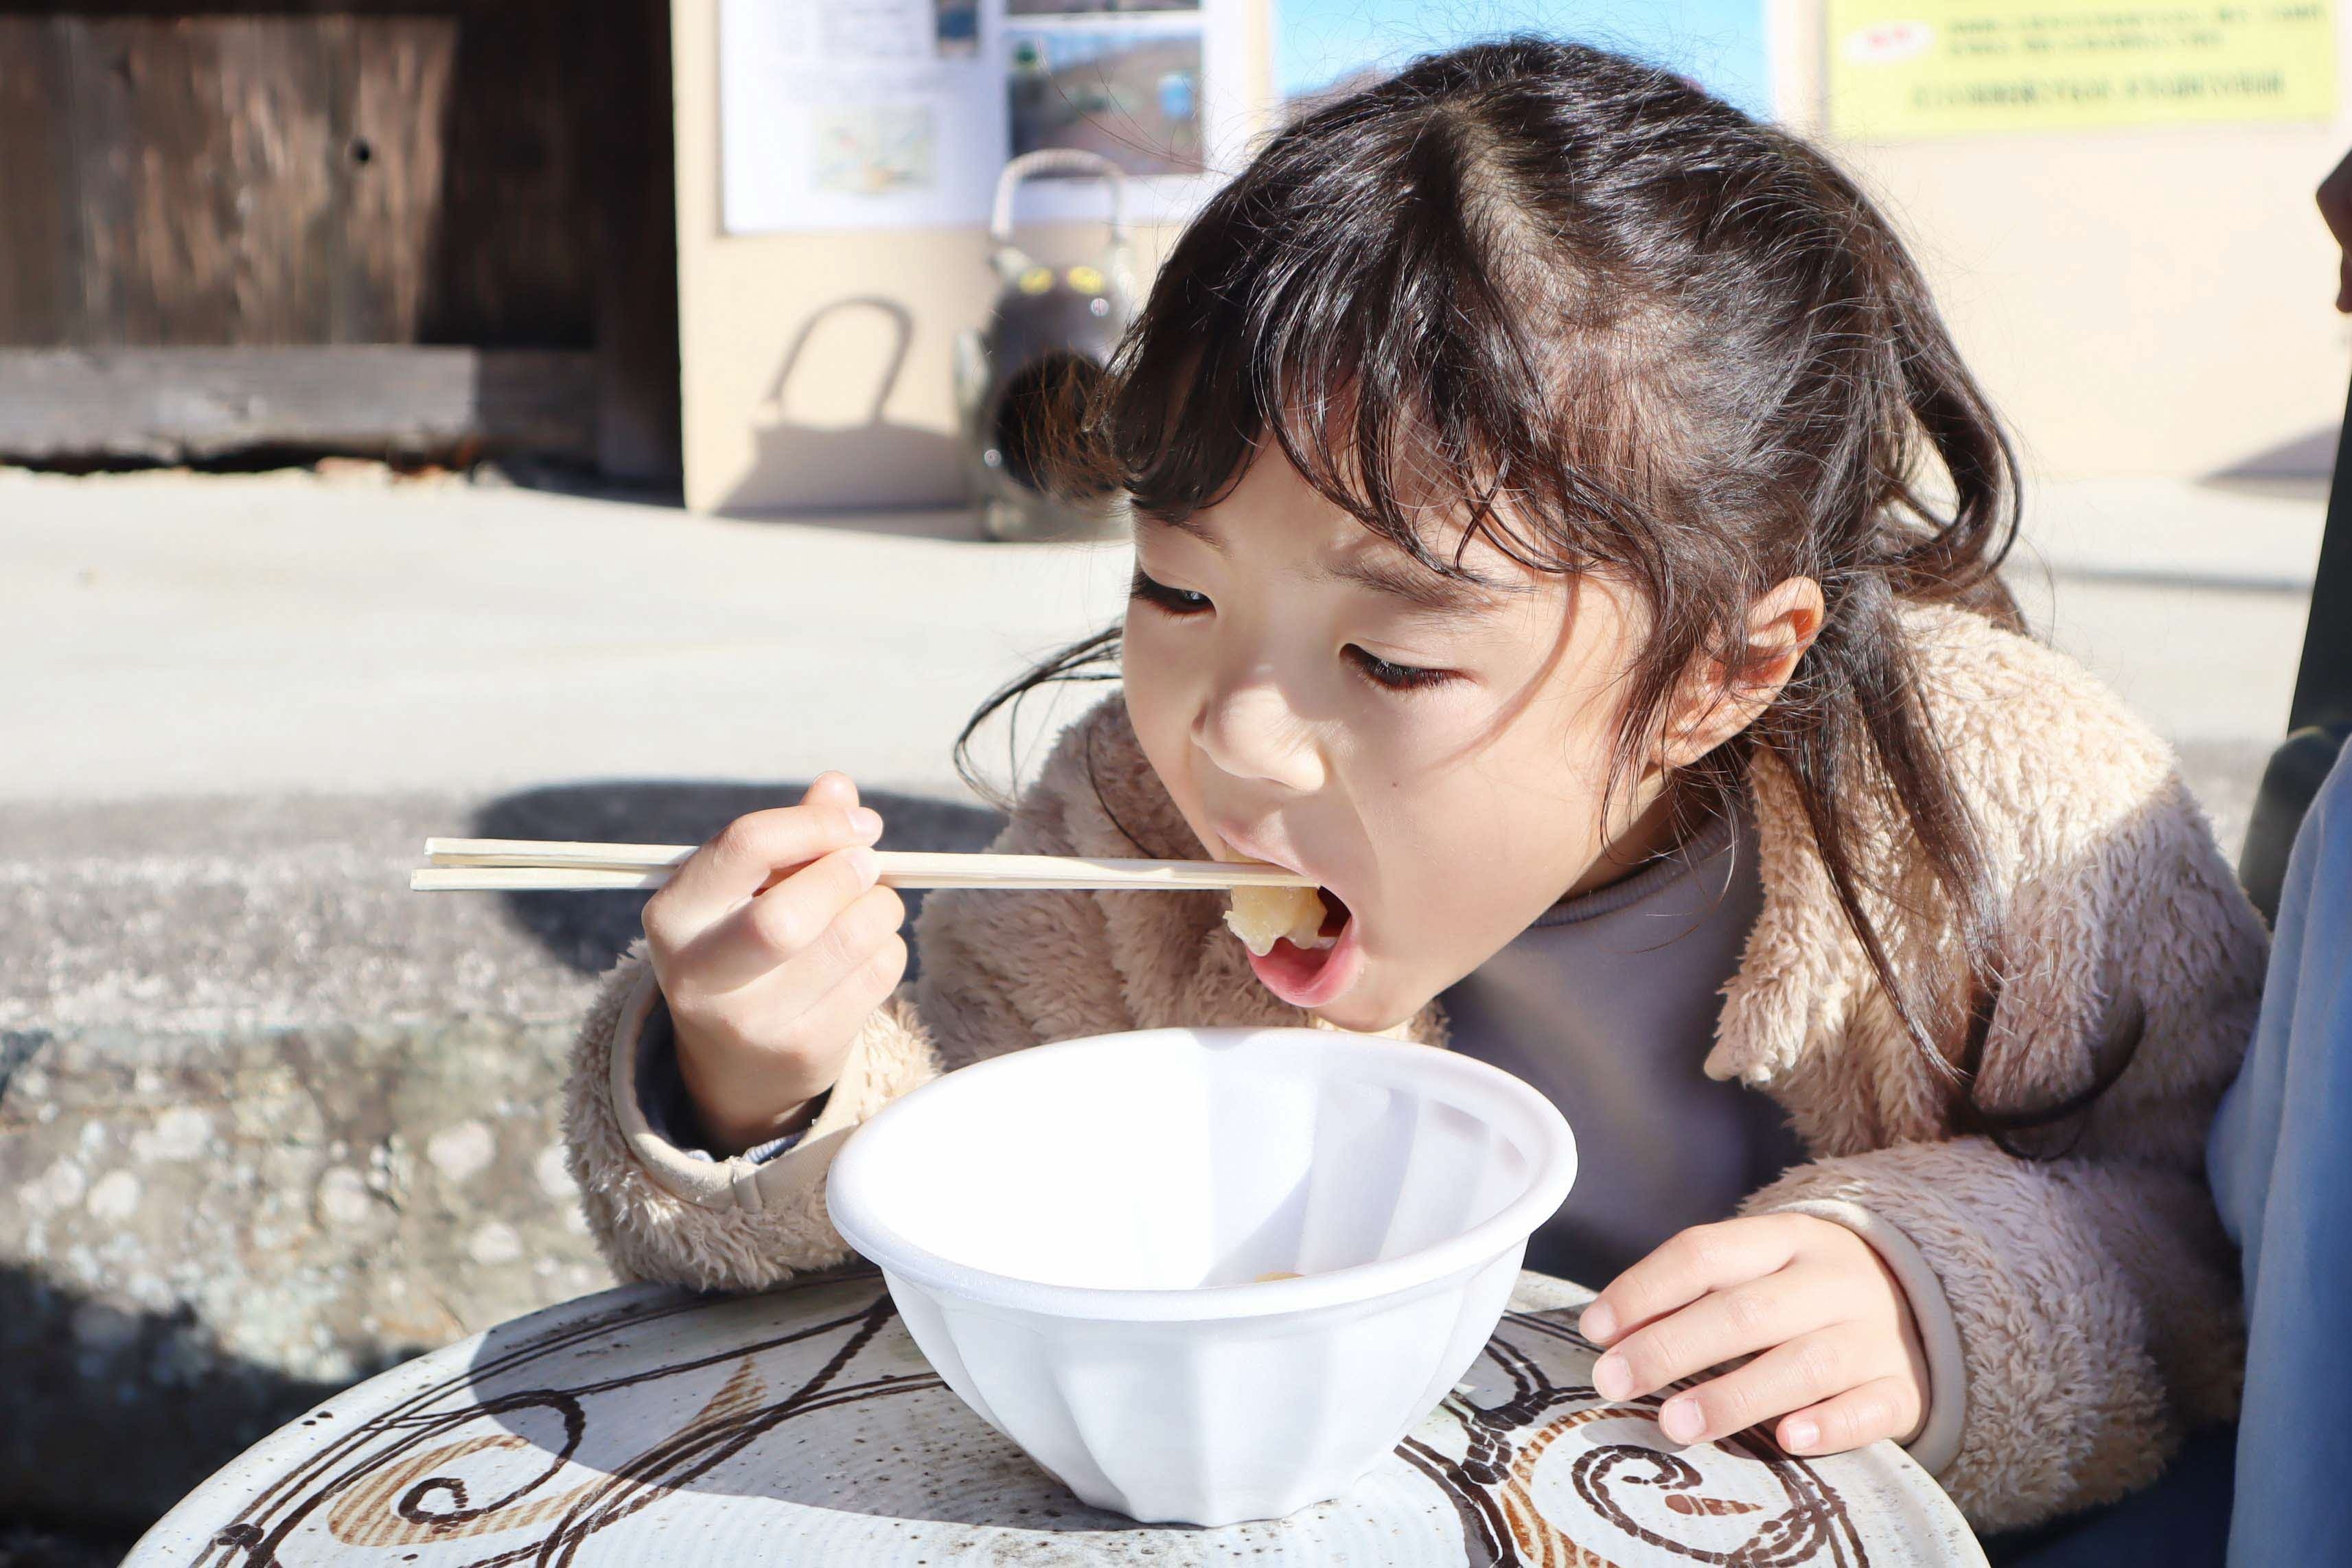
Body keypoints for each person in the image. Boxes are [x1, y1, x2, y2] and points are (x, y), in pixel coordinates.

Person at [560, 41, 2266, 1538]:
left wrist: (1945, 1305)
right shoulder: (1122, 830)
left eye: (1389, 659)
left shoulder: (2017, 818)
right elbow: (985, 1226)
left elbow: (2225, 1243)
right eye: (1175, 590)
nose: (1232, 736)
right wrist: (755, 1081)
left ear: (1717, 672)